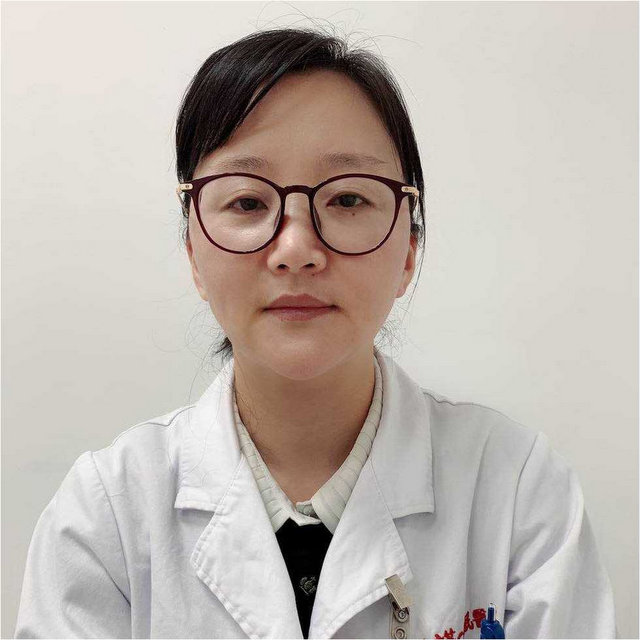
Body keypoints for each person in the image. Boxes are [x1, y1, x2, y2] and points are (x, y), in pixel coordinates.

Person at [14, 26, 617, 639]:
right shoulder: (108, 512)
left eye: (348, 200)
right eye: (248, 203)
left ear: (409, 248)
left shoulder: (516, 490)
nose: (296, 249)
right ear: (193, 252)